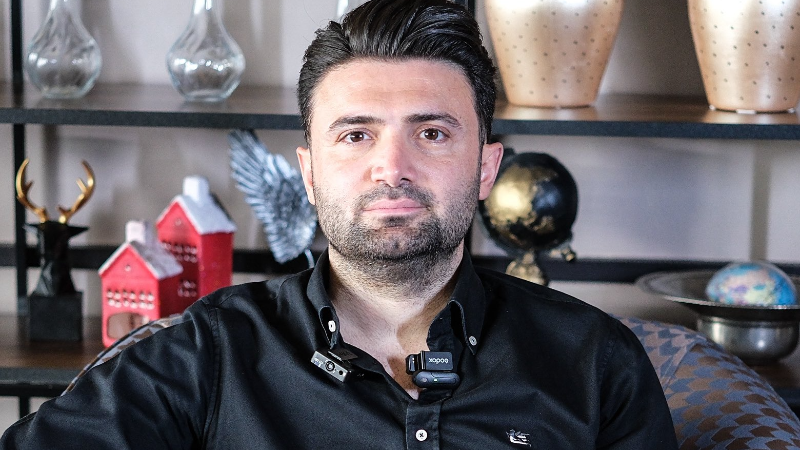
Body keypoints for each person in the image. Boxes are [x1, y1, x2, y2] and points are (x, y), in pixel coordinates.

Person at [1, 0, 678, 448]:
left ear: (485, 167)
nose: (392, 168)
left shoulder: (597, 364)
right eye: (356, 135)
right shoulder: (207, 355)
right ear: (309, 171)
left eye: (433, 133)